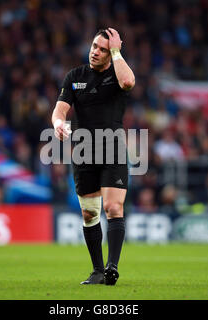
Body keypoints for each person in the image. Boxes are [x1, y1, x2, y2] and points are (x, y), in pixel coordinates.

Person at [51, 28, 135, 285]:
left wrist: (117, 51)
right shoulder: (75, 76)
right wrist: (58, 123)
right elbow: (60, 109)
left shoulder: (117, 73)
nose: (94, 52)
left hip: (113, 149)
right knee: (89, 214)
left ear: (111, 53)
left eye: (102, 49)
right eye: (93, 46)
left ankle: (112, 266)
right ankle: (97, 270)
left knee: (113, 207)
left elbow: (128, 82)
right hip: (84, 151)